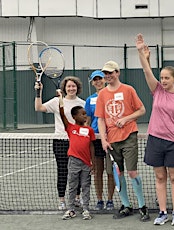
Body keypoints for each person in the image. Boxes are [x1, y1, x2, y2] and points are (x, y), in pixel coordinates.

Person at [136, 34, 174, 226]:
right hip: (155, 140)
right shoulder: (157, 90)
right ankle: (162, 212)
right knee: (160, 177)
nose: (163, 80)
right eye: (162, 78)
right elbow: (146, 70)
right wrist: (141, 51)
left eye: (167, 77)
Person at [95, 60, 150, 221]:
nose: (108, 76)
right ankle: (126, 205)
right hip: (111, 141)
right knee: (117, 174)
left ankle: (142, 206)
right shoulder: (102, 94)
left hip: (129, 137)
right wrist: (104, 140)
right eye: (105, 73)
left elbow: (142, 110)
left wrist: (126, 119)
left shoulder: (128, 90)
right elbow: (100, 119)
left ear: (117, 73)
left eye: (110, 73)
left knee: (132, 172)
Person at [34, 76, 85, 211]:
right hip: (61, 141)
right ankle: (62, 200)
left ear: (77, 88)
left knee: (77, 171)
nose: (71, 88)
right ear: (64, 88)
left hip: (77, 142)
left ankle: (77, 198)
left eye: (73, 86)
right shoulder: (57, 101)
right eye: (69, 86)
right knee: (62, 171)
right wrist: (38, 92)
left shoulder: (82, 103)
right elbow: (38, 107)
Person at [58, 90, 95, 220]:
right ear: (74, 117)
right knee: (73, 186)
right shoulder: (71, 128)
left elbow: (91, 146)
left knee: (85, 186)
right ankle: (71, 209)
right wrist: (61, 100)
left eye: (85, 114)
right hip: (73, 161)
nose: (85, 116)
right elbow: (62, 115)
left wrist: (92, 163)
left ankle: (85, 209)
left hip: (86, 163)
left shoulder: (89, 130)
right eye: (82, 114)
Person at [85, 70, 115, 211]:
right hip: (96, 139)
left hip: (111, 137)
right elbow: (88, 120)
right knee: (98, 171)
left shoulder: (112, 96)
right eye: (95, 80)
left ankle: (110, 199)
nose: (98, 81)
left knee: (111, 171)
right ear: (92, 82)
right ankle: (99, 200)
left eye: (100, 79)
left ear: (105, 80)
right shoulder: (89, 100)